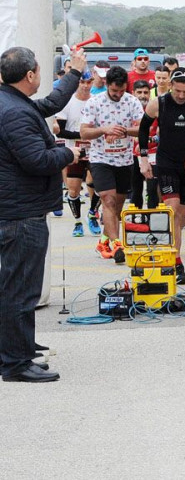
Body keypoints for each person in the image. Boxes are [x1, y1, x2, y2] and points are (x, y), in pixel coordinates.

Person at [0, 46, 86, 383]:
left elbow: (49, 105)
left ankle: (16, 349)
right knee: (21, 289)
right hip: (21, 214)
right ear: (31, 74)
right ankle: (16, 363)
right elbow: (36, 161)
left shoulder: (13, 102)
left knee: (16, 286)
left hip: (19, 210)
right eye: (39, 70)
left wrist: (74, 73)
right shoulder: (15, 112)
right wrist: (67, 152)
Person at [139, 68, 185, 285]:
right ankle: (176, 263)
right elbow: (144, 130)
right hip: (167, 163)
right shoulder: (159, 103)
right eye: (178, 91)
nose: (181, 95)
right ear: (170, 86)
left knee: (182, 216)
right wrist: (144, 159)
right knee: (173, 210)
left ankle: (176, 251)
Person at [80, 66, 145, 264]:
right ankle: (117, 244)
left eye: (121, 90)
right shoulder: (95, 102)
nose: (118, 95)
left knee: (117, 205)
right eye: (114, 91)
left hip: (124, 160)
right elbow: (84, 132)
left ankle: (105, 239)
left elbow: (143, 128)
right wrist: (104, 129)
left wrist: (124, 131)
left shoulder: (132, 101)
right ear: (107, 85)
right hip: (101, 159)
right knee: (107, 200)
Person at [55, 69, 96, 237]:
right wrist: (83, 134)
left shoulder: (96, 101)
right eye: (82, 82)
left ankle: (92, 214)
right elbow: (60, 132)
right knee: (73, 190)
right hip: (75, 150)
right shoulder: (68, 102)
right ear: (77, 83)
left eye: (89, 82)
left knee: (98, 184)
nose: (86, 86)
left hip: (95, 150)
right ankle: (78, 222)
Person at [128, 80, 160, 210]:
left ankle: (152, 219)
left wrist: (147, 141)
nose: (143, 95)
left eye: (146, 92)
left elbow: (160, 135)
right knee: (136, 189)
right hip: (132, 155)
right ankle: (136, 218)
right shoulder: (127, 108)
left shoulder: (154, 109)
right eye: (139, 92)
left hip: (152, 154)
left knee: (152, 189)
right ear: (133, 93)